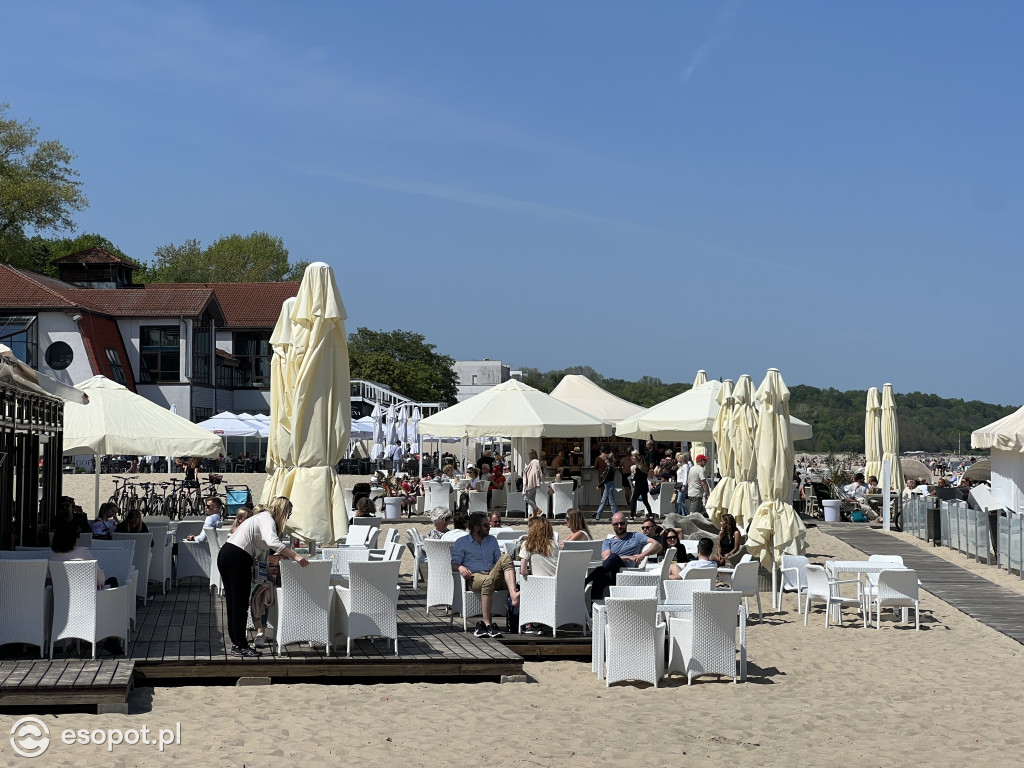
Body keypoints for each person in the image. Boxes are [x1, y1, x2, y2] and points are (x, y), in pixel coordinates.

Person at [217, 497, 308, 658]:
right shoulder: (268, 519)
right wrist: (296, 556)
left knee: (234, 603)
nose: (288, 517)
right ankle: (241, 645)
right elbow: (272, 541)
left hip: (228, 554)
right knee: (239, 604)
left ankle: (237, 644)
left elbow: (264, 544)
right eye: (288, 513)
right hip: (237, 557)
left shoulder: (260, 517)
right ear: (283, 510)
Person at [451, 512, 520, 638]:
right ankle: (488, 624)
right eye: (486, 525)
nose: (489, 527)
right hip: (473, 577)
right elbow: (454, 564)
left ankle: (513, 594)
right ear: (477, 527)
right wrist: (461, 568)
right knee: (487, 580)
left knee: (506, 557)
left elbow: (499, 562)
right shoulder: (462, 542)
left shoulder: (492, 540)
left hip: (491, 574)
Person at [585, 512, 662, 600]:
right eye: (616, 524)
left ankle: (586, 580)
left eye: (622, 523)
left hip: (625, 573)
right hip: (610, 573)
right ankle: (594, 610)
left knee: (610, 560)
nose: (619, 526)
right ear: (612, 525)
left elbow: (657, 545)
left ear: (626, 523)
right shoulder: (608, 541)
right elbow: (607, 559)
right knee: (599, 578)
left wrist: (642, 555)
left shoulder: (636, 536)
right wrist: (628, 557)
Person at [50, 522, 116, 589]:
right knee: (113, 580)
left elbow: (49, 580)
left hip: (61, 595)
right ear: (74, 539)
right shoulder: (82, 552)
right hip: (87, 594)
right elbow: (101, 580)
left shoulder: (52, 557)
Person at [593, 455, 618, 520]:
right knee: (605, 501)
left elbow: (606, 478)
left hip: (608, 484)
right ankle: (598, 514)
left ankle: (615, 515)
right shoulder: (610, 467)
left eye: (605, 459)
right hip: (609, 484)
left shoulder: (609, 468)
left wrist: (599, 485)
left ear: (607, 460)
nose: (604, 460)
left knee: (610, 501)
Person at [629, 451, 653, 519]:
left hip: (638, 486)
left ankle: (632, 515)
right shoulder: (645, 469)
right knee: (645, 501)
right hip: (644, 486)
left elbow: (636, 478)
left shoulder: (637, 469)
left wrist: (634, 474)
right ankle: (650, 514)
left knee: (633, 500)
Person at [523, 449, 544, 517]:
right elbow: (539, 471)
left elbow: (538, 471)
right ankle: (534, 515)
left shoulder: (534, 462)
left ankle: (537, 510)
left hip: (531, 483)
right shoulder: (535, 462)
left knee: (526, 498)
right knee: (532, 499)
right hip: (534, 482)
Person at [675, 452, 692, 516]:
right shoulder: (680, 466)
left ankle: (687, 512)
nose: (678, 459)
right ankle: (683, 513)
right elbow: (678, 464)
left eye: (679, 458)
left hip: (682, 484)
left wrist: (684, 485)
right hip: (679, 483)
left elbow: (685, 476)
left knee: (679, 501)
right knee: (682, 500)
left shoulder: (685, 466)